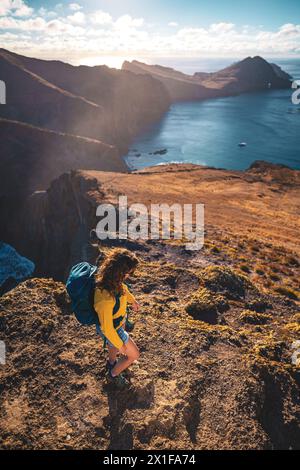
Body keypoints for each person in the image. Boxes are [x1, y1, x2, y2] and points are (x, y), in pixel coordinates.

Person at [94, 248, 140, 389]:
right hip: (112, 328)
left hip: (118, 322)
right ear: (119, 272)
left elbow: (124, 290)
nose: (129, 275)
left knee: (112, 344)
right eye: (128, 272)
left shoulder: (114, 281)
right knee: (133, 355)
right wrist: (122, 346)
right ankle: (113, 375)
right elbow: (108, 329)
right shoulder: (104, 298)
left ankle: (112, 362)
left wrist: (132, 301)